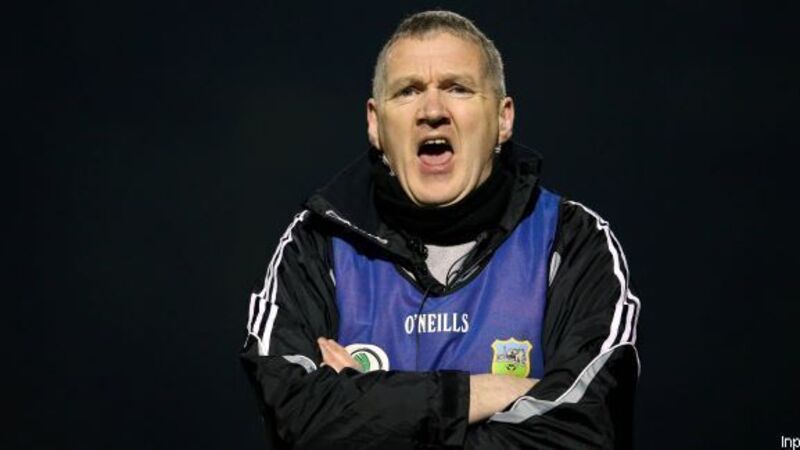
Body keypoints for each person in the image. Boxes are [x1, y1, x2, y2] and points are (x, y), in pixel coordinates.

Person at [241, 10, 640, 450]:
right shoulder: (315, 246)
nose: (432, 111)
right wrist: (474, 395)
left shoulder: (572, 241)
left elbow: (583, 432)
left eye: (458, 88)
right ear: (375, 123)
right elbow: (297, 419)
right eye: (408, 91)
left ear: (503, 119)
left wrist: (369, 412)